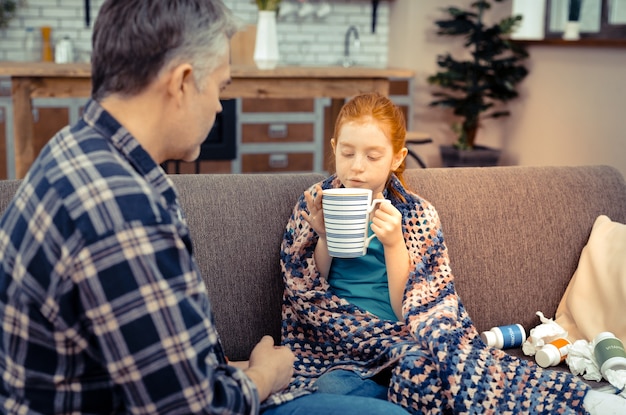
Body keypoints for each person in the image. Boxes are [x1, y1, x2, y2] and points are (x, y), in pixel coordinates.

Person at [0, 1, 410, 414]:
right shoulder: (120, 208)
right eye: (220, 87)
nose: (218, 106)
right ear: (182, 81)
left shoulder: (78, 151)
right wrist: (264, 374)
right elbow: (195, 409)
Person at [279, 92, 626, 414]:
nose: (357, 167)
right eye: (347, 153)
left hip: (399, 334)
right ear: (334, 148)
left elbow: (416, 305)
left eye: (372, 156)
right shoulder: (316, 202)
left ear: (396, 157)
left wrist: (394, 243)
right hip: (339, 337)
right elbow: (307, 290)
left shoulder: (416, 216)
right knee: (329, 384)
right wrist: (323, 237)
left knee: (429, 367)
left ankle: (580, 400)